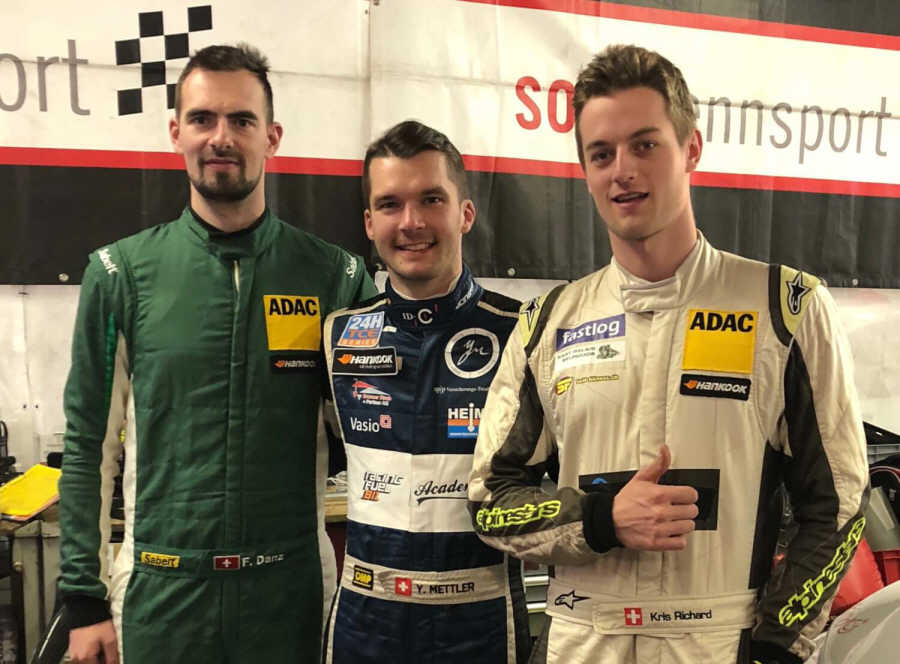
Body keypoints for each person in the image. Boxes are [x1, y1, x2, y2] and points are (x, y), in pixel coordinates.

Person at [468, 44, 869, 664]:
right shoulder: (546, 323)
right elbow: (491, 500)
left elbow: (838, 501)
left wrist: (777, 647)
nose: (622, 170)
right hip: (582, 641)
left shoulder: (785, 308)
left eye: (645, 145)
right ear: (585, 171)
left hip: (717, 642)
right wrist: (600, 518)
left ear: (691, 149)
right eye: (602, 154)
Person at [57, 43, 376, 664]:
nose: (221, 138)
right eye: (202, 119)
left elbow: (376, 437)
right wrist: (84, 600)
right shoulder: (120, 275)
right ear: (176, 132)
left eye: (242, 120)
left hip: (288, 595)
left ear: (272, 137)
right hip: (160, 595)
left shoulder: (335, 277)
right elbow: (87, 446)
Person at [321, 120, 530, 663]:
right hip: (365, 623)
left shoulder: (524, 331)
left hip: (482, 623)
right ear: (370, 223)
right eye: (390, 204)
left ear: (466, 213)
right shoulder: (338, 334)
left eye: (431, 199)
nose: (410, 222)